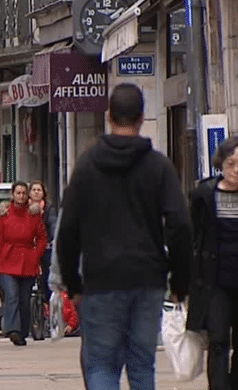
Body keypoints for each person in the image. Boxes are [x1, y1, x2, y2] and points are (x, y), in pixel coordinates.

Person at [57, 83, 192, 389]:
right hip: (147, 279)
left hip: (100, 280)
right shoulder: (158, 166)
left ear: (108, 116)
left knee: (102, 365)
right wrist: (180, 282)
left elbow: (67, 230)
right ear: (142, 117)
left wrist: (73, 283)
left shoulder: (87, 166)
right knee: (142, 366)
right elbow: (180, 225)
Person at [187, 136, 238, 389]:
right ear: (222, 164)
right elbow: (195, 236)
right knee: (218, 339)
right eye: (231, 163)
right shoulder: (205, 194)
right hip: (215, 280)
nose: (236, 170)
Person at [0, 181, 48, 346]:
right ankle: (13, 330)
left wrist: (36, 254)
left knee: (24, 299)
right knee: (12, 296)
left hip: (28, 261)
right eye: (18, 193)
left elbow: (43, 239)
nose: (21, 196)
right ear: (13, 194)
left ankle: (22, 331)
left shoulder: (34, 215)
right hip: (7, 261)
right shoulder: (5, 215)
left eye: (24, 193)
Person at [29, 180, 57, 305]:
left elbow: (52, 222)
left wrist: (54, 238)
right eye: (34, 190)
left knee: (47, 273)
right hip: (28, 247)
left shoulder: (48, 208)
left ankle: (47, 303)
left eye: (38, 190)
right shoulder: (24, 207)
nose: (36, 192)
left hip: (45, 246)